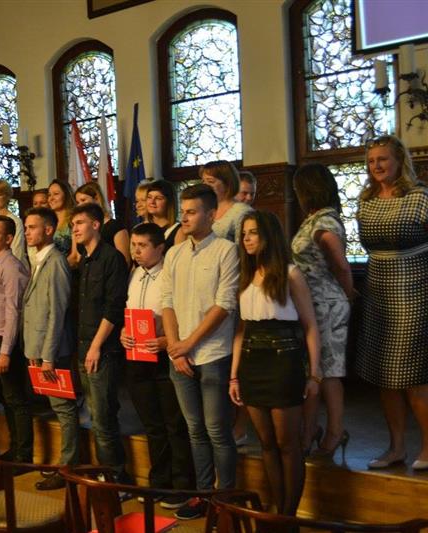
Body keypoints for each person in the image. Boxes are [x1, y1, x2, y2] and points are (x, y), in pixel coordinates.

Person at [230, 211, 321, 515]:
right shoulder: (245, 275)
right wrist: (234, 376)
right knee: (266, 443)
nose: (247, 239)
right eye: (244, 234)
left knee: (287, 444)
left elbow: (310, 325)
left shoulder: (290, 274)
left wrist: (315, 374)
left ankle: (288, 515)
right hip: (252, 362)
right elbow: (241, 330)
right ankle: (277, 511)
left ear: (269, 235)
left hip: (283, 362)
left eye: (253, 233)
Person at [160, 184, 239, 520]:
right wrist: (176, 348)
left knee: (217, 430)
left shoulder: (226, 250)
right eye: (183, 211)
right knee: (195, 430)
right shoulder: (174, 253)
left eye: (192, 212)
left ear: (211, 214)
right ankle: (203, 495)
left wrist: (189, 343)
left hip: (213, 353)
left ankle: (225, 498)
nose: (185, 217)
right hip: (180, 356)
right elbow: (166, 301)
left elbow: (224, 304)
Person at [355, 135, 428, 471]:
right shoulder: (366, 200)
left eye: (382, 159)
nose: (376, 166)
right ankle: (396, 447)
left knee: (414, 375)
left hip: (414, 291)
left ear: (399, 160)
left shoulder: (419, 196)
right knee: (385, 376)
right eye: (371, 161)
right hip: (378, 295)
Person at [120, 223, 195, 509]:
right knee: (152, 424)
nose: (136, 251)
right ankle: (159, 482)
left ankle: (182, 486)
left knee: (174, 423)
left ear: (160, 248)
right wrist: (123, 333)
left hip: (165, 357)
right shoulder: (134, 273)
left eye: (142, 246)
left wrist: (167, 341)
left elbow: (184, 315)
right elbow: (128, 311)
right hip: (137, 357)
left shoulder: (170, 275)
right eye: (133, 245)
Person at [292, 164, 354, 458]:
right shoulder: (314, 218)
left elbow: (340, 265)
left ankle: (334, 432)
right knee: (313, 372)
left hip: (327, 304)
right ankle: (309, 431)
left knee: (329, 373)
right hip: (311, 304)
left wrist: (348, 294)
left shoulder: (325, 222)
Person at [71, 203, 130, 483]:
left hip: (102, 348)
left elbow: (113, 307)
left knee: (103, 418)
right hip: (84, 344)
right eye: (72, 224)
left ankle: (116, 478)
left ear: (96, 225)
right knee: (95, 415)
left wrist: (95, 346)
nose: (75, 229)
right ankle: (105, 474)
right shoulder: (85, 260)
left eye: (80, 223)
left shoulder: (111, 258)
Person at [22, 207, 77, 490]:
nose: (27, 232)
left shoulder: (55, 261)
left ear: (49, 229)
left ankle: (68, 468)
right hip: (41, 348)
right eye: (26, 227)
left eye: (32, 227)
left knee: (64, 410)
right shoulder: (39, 259)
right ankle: (64, 464)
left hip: (54, 351)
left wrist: (47, 356)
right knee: (58, 408)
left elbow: (57, 312)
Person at [0, 215, 32, 463]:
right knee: (4, 398)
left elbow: (14, 311)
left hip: (7, 342)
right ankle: (14, 448)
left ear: (9, 238)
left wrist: (5, 351)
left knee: (16, 399)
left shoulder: (11, 267)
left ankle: (24, 454)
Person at [75, 181, 130, 265]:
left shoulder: (115, 227)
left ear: (97, 199)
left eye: (83, 200)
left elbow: (125, 261)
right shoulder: (82, 228)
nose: (79, 206)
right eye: (78, 202)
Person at [201, 160, 253, 243]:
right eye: (203, 181)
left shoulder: (242, 212)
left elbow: (244, 245)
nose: (204, 186)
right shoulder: (204, 207)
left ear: (227, 183)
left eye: (210, 181)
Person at [145, 180, 185, 249]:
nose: (152, 202)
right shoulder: (141, 227)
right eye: (149, 197)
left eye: (158, 198)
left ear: (169, 202)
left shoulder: (179, 231)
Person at [47, 179, 76, 257]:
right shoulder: (48, 221)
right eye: (49, 195)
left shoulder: (73, 221)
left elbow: (75, 256)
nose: (51, 198)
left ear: (66, 195)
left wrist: (59, 264)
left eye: (56, 194)